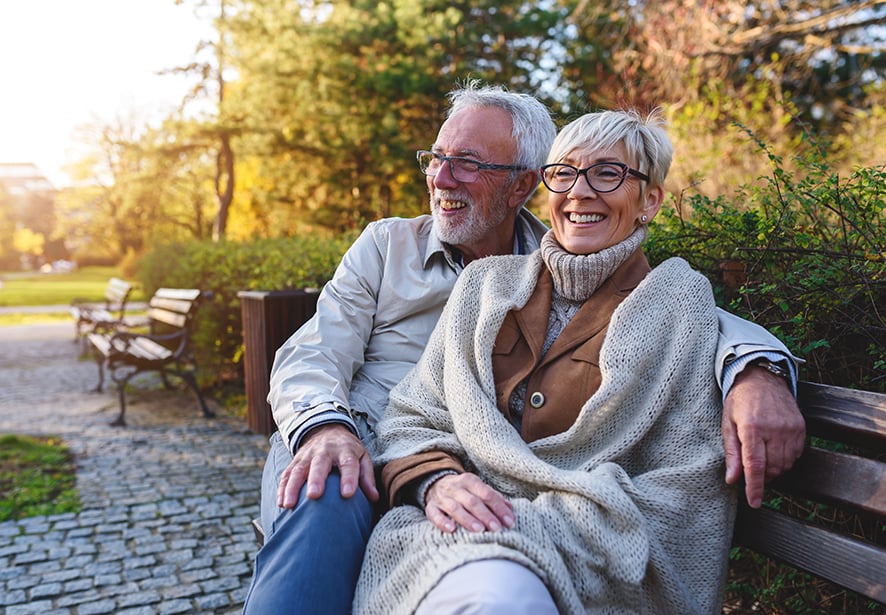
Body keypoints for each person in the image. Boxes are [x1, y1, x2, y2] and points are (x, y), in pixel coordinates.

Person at [242, 83, 804, 614]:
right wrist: (327, 430)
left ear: (521, 185)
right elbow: (312, 355)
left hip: (470, 489)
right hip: (358, 441)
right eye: (436, 158)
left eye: (467, 162)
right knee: (325, 489)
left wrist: (758, 370)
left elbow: (684, 313)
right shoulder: (393, 247)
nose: (442, 178)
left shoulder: (562, 258)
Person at [354, 108, 738, 614]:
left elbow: (686, 484)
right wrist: (436, 480)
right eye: (564, 173)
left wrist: (521, 523)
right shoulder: (483, 285)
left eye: (608, 173)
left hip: (590, 555)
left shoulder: (679, 303)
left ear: (650, 200)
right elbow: (413, 414)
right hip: (445, 537)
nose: (580, 191)